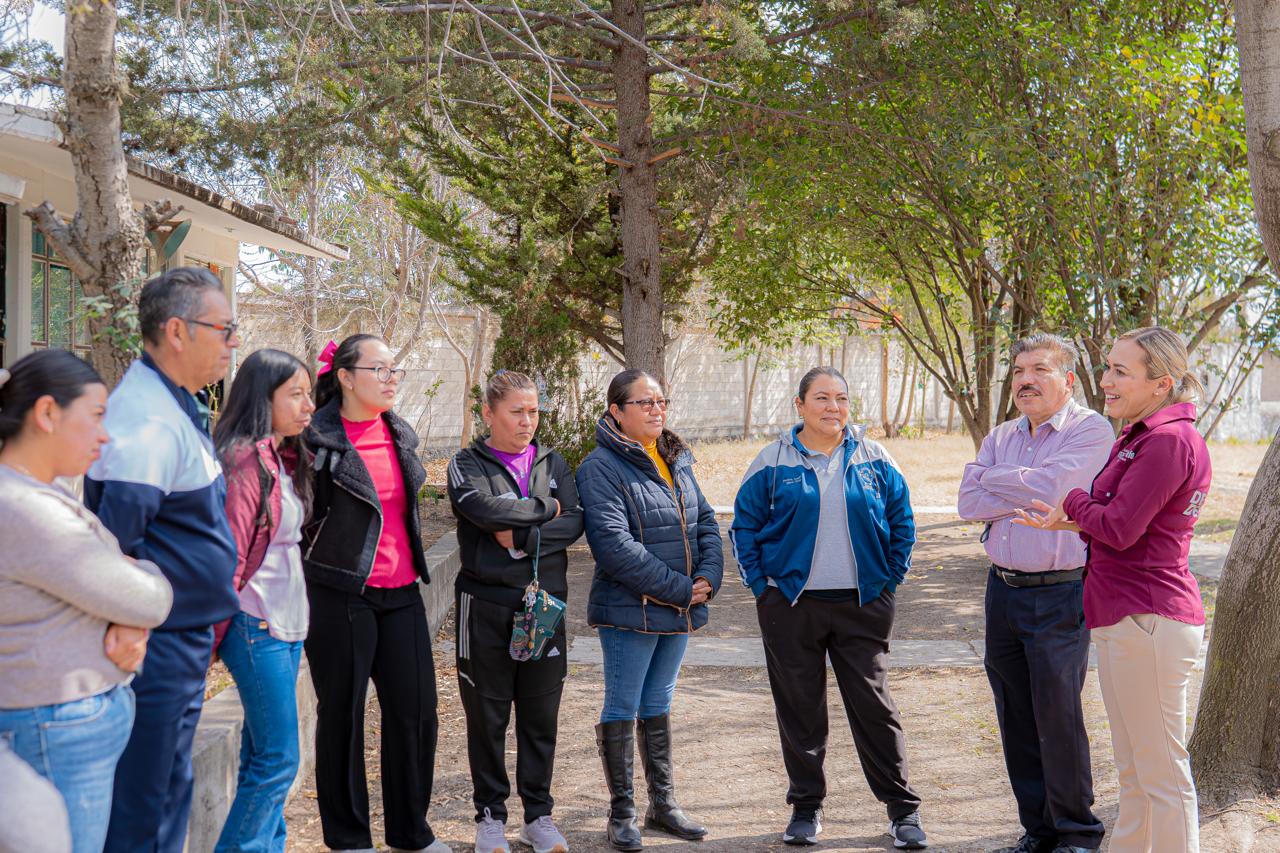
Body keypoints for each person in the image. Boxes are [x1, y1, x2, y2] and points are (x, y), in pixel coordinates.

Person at [1016, 326, 1211, 853]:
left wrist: (1075, 500)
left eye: (1121, 371)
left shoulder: (1168, 442)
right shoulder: (1141, 436)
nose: (1105, 381)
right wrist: (1077, 520)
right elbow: (1125, 523)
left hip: (1148, 619)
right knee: (1135, 770)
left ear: (1161, 383)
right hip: (1125, 616)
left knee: (1162, 776)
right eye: (1108, 368)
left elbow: (1121, 527)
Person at [731, 366, 927, 850]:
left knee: (875, 707)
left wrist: (888, 580)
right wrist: (763, 587)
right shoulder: (772, 460)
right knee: (800, 709)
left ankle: (902, 812)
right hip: (792, 606)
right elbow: (743, 528)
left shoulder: (874, 457)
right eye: (821, 398)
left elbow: (903, 520)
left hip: (863, 604)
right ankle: (806, 808)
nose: (833, 407)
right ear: (800, 405)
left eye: (840, 397)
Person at [84, 268, 241, 853]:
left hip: (178, 636)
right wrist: (128, 622)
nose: (230, 342)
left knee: (168, 786)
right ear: (177, 331)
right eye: (223, 329)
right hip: (155, 642)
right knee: (143, 803)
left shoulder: (173, 404)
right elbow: (114, 540)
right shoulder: (145, 417)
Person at [0, 349, 173, 853]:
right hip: (53, 726)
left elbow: (117, 589)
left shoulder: (39, 495)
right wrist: (138, 593)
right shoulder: (27, 510)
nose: (105, 435)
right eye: (96, 416)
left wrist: (127, 606)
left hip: (57, 721)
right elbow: (149, 598)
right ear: (48, 413)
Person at [957, 334, 1114, 853]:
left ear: (1067, 379)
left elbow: (1055, 491)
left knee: (1058, 714)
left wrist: (993, 481)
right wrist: (1019, 484)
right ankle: (1039, 831)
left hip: (1059, 594)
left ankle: (1077, 833)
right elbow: (966, 502)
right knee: (1015, 714)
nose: (1025, 380)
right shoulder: (1002, 434)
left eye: (1039, 369)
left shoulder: (1090, 429)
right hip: (1001, 592)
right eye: (1019, 370)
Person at [302, 334, 449, 853]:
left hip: (403, 590)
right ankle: (349, 840)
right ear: (345, 376)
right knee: (342, 716)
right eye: (380, 369)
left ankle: (411, 834)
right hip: (340, 592)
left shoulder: (399, 433)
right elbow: (299, 519)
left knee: (416, 713)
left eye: (394, 371)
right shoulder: (315, 439)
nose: (391, 379)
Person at [576, 368, 724, 852]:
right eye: (644, 402)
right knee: (623, 705)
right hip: (629, 612)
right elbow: (615, 548)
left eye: (660, 401)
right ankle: (622, 813)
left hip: (679, 608)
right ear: (616, 412)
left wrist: (707, 578)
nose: (656, 410)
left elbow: (705, 521)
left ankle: (663, 805)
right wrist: (683, 590)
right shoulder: (599, 468)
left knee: (658, 704)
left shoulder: (676, 459)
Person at [447, 370, 584, 853]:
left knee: (539, 715)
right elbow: (483, 512)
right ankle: (489, 816)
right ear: (489, 413)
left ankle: (538, 816)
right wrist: (547, 510)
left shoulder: (553, 461)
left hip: (543, 607)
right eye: (516, 412)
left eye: (534, 411)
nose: (528, 421)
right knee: (487, 717)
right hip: (484, 606)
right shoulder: (466, 463)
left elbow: (578, 520)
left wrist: (524, 533)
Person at [211, 348, 316, 853]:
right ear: (261, 398)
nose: (309, 405)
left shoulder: (278, 456)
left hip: (284, 626)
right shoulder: (244, 462)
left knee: (261, 756)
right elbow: (228, 558)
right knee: (278, 760)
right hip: (256, 625)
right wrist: (208, 640)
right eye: (295, 394)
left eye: (309, 393)